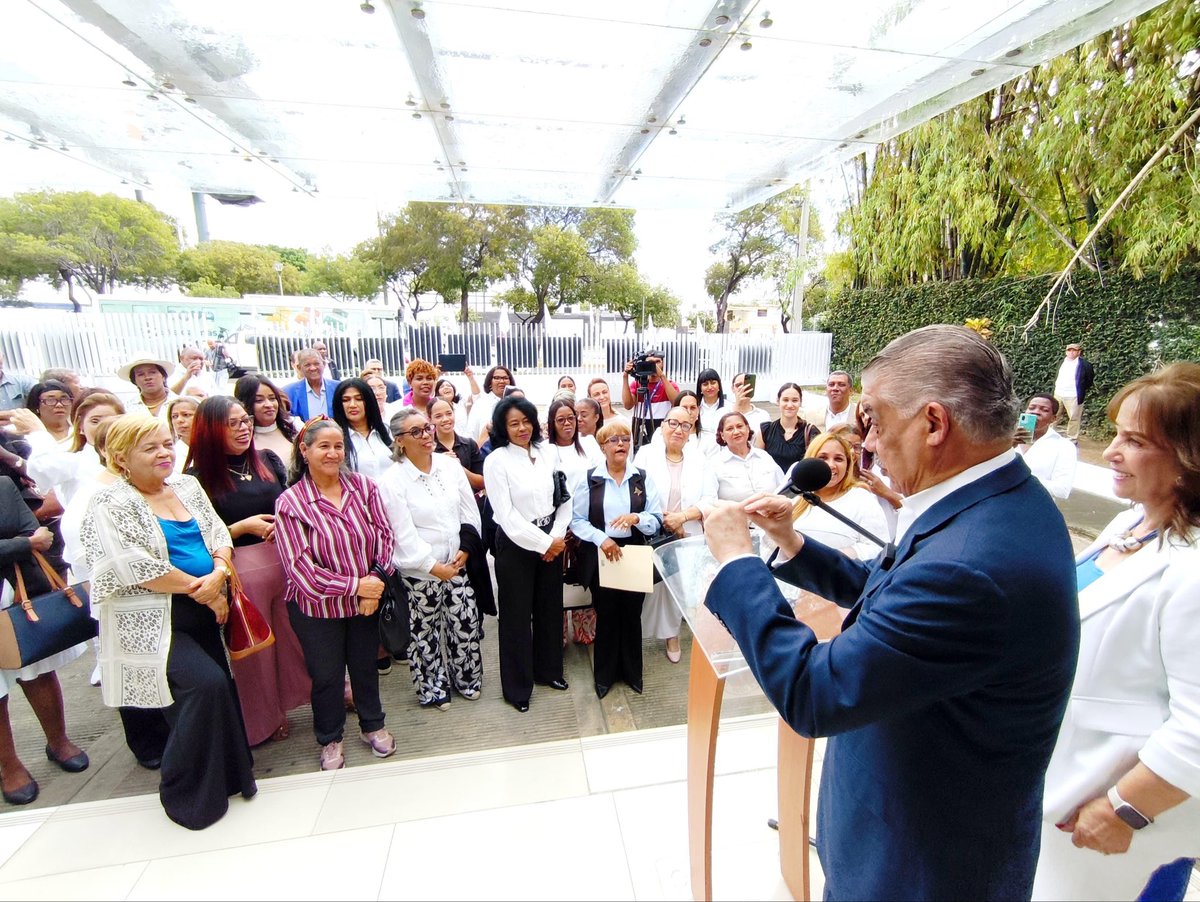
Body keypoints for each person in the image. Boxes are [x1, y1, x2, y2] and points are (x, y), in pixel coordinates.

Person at [699, 324, 1080, 900]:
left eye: (873, 420)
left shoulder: (972, 563)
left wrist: (734, 562)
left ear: (933, 423)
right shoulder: (992, 499)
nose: (865, 443)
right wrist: (792, 544)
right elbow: (891, 590)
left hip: (917, 868)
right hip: (904, 836)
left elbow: (813, 692)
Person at [1032, 362, 1200, 902]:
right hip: (1065, 791)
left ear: (1188, 461)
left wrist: (1125, 808)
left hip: (1121, 827)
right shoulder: (1130, 524)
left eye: (1134, 440)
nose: (1109, 451)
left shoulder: (1193, 569)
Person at [81, 414, 256, 829]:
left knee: (220, 686)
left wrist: (219, 572)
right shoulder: (109, 504)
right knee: (203, 687)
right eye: (151, 448)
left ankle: (231, 779)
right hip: (152, 618)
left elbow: (217, 534)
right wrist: (206, 587)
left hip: (203, 604)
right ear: (121, 458)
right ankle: (185, 794)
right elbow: (134, 566)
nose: (164, 453)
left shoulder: (186, 486)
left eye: (166, 444)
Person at [185, 397, 310, 746]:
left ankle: (294, 702)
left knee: (293, 641)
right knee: (253, 653)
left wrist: (283, 524)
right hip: (239, 569)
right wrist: (239, 528)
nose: (244, 428)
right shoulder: (195, 480)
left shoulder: (267, 461)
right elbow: (197, 535)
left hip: (285, 563)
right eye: (233, 424)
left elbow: (289, 502)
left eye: (246, 421)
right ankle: (263, 719)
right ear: (210, 430)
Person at [274, 417, 396, 770]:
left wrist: (375, 582)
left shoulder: (363, 487)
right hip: (316, 608)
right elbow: (299, 569)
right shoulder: (291, 503)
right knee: (327, 676)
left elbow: (386, 538)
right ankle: (330, 737)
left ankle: (373, 725)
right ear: (305, 450)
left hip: (366, 601)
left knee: (364, 667)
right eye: (323, 446)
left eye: (338, 445)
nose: (332, 453)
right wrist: (356, 586)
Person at [379, 408, 484, 710]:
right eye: (416, 432)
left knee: (464, 623)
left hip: (457, 563)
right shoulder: (393, 481)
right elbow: (401, 533)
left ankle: (466, 679)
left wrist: (466, 546)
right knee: (423, 634)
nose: (426, 435)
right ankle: (433, 688)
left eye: (427, 428)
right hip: (419, 573)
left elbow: (468, 510)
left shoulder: (449, 467)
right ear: (399, 441)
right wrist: (433, 567)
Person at [0, 477, 89, 806]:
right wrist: (22, 545)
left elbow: (44, 537)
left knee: (39, 672)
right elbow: (30, 540)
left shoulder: (4, 487)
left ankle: (59, 742)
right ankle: (9, 767)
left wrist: (27, 542)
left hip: (18, 596)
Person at [482, 396, 571, 713]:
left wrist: (557, 537)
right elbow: (505, 516)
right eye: (513, 423)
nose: (521, 428)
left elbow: (564, 496)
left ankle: (549, 671)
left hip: (552, 537)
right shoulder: (496, 461)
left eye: (526, 421)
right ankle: (518, 688)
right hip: (517, 544)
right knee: (516, 618)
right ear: (503, 428)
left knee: (549, 609)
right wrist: (543, 544)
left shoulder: (549, 452)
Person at [571, 421, 662, 698]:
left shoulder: (642, 478)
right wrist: (602, 539)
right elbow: (577, 521)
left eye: (624, 439)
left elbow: (656, 518)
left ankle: (632, 674)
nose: (620, 444)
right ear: (602, 447)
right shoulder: (590, 479)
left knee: (632, 614)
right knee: (608, 614)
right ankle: (605, 677)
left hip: (634, 550)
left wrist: (637, 518)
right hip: (603, 553)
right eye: (613, 440)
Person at [634, 406, 716, 663]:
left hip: (686, 532)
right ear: (662, 426)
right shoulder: (646, 454)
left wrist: (682, 518)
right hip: (651, 530)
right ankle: (635, 635)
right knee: (649, 586)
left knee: (676, 587)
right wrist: (664, 519)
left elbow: (710, 497)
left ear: (691, 432)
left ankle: (671, 635)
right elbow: (635, 490)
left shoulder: (700, 459)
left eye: (685, 425)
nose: (678, 430)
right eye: (673, 423)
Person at [545, 399, 604, 646]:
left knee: (583, 577)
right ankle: (557, 635)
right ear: (552, 424)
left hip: (586, 524)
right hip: (557, 527)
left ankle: (584, 632)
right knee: (556, 581)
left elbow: (601, 478)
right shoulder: (545, 451)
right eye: (561, 420)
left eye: (572, 418)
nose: (568, 423)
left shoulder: (589, 444)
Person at [788, 431, 890, 560]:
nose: (831, 465)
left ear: (848, 465)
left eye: (838, 459)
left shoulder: (862, 499)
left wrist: (832, 558)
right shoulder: (796, 499)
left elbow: (878, 548)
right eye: (823, 458)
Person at [711, 411, 784, 502]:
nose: (736, 432)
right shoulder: (714, 464)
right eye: (730, 429)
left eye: (739, 426)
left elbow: (782, 488)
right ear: (722, 436)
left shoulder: (764, 457)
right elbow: (711, 500)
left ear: (748, 429)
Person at [1017, 393, 1077, 500]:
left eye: (1044, 410)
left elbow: (1062, 490)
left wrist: (1021, 479)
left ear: (1053, 419)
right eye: (1031, 408)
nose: (1036, 412)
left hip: (1036, 509)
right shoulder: (1005, 440)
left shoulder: (1064, 447)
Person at [332, 378, 393, 482]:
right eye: (346, 400)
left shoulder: (386, 430)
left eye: (359, 399)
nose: (352, 405)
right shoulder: (335, 437)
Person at [235, 374, 299, 467]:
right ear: (244, 404)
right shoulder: (242, 438)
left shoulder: (295, 426)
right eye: (259, 400)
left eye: (272, 398)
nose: (269, 405)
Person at [756, 382, 819, 472]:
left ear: (800, 402)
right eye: (785, 400)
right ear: (778, 401)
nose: (790, 405)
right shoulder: (765, 430)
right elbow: (758, 464)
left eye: (794, 400)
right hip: (773, 485)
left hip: (798, 485)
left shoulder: (810, 432)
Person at [621, 351, 679, 445]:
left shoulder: (669, 385)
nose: (654, 365)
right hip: (640, 428)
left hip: (662, 427)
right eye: (650, 362)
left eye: (657, 362)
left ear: (663, 364)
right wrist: (625, 376)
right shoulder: (637, 384)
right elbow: (627, 405)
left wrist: (662, 376)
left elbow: (677, 403)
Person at [1053, 342, 1096, 443]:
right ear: (1066, 352)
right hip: (1058, 393)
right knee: (1054, 415)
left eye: (1074, 350)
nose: (1071, 352)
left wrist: (1081, 389)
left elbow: (1089, 380)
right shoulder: (1061, 362)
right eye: (1069, 350)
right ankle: (1050, 434)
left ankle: (1072, 438)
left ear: (1079, 352)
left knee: (1074, 418)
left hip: (1074, 395)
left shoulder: (1085, 365)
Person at [118, 353, 177, 421]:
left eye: (152, 372)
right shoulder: (126, 408)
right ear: (134, 381)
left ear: (163, 376)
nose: (147, 377)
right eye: (141, 374)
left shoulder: (182, 402)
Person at [284, 348, 337, 421]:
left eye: (316, 363)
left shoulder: (337, 388)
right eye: (307, 365)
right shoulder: (288, 392)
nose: (313, 368)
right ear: (299, 368)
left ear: (324, 364)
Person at [466, 365, 515, 442]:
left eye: (505, 378)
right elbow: (471, 432)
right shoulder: (481, 404)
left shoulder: (516, 402)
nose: (502, 381)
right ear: (490, 383)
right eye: (497, 378)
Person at [25, 381, 75, 446]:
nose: (59, 405)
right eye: (50, 400)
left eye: (65, 399)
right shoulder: (26, 434)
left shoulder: (81, 428)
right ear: (36, 406)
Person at [166, 396, 200, 475]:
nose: (179, 420)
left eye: (186, 415)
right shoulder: (173, 454)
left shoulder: (218, 446)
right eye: (174, 416)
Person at [695, 368, 727, 436]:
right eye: (705, 384)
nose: (710, 387)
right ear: (700, 388)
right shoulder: (694, 408)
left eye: (713, 383)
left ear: (719, 385)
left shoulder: (729, 407)